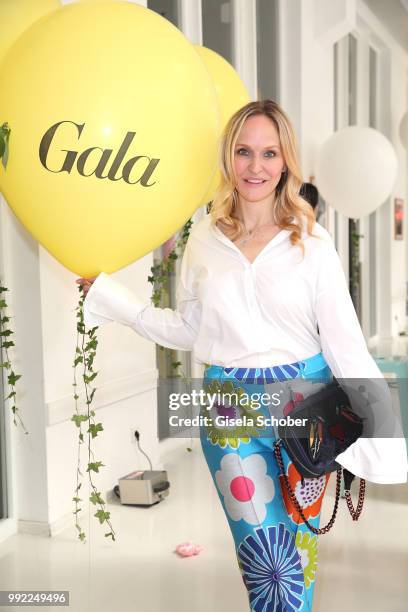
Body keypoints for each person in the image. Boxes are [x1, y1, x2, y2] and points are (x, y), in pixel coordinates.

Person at [77, 100, 407, 611]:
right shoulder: (204, 240)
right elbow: (189, 328)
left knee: (299, 558)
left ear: (285, 161)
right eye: (244, 151)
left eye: (269, 153)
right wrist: (111, 298)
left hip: (308, 409)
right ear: (228, 159)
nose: (256, 166)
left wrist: (383, 437)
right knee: (266, 564)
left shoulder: (313, 243)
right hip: (229, 412)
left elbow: (344, 340)